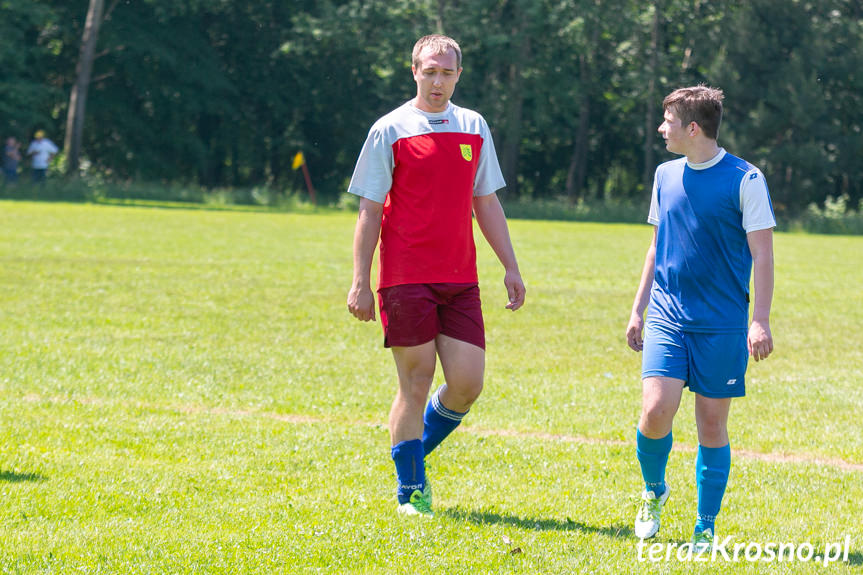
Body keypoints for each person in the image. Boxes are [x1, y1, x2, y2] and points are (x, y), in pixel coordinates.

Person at [346, 34, 526, 517]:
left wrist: (510, 266)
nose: (438, 80)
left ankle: (409, 455)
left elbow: (485, 201)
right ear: (414, 71)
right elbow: (369, 210)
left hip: (460, 277)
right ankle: (412, 492)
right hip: (405, 276)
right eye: (430, 71)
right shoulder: (390, 129)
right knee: (417, 378)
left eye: (447, 72)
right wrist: (360, 280)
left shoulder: (473, 125)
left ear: (458, 76)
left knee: (467, 383)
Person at [625, 85, 775, 550]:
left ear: (693, 128)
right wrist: (638, 308)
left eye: (667, 120)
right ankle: (653, 491)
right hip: (669, 316)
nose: (660, 127)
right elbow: (656, 245)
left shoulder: (745, 180)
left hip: (722, 323)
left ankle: (705, 525)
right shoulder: (665, 175)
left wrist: (760, 320)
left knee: (711, 424)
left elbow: (763, 255)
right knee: (654, 412)